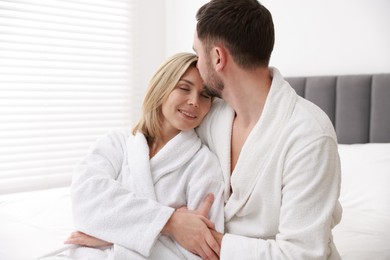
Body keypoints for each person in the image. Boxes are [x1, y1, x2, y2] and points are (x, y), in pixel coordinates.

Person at [161, 0, 343, 259]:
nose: (197, 66)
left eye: (198, 54)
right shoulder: (210, 117)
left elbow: (300, 254)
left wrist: (203, 239)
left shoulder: (309, 135)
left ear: (217, 57)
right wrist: (165, 224)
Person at [39, 52, 224, 260]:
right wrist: (170, 223)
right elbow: (86, 199)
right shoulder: (117, 143)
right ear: (162, 87)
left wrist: (114, 234)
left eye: (205, 95)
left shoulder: (204, 165)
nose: (194, 101)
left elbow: (203, 252)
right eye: (183, 88)